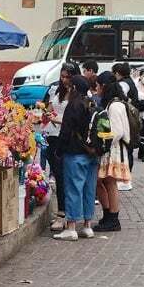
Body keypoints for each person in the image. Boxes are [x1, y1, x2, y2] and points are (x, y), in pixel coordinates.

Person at [53, 76, 99, 241]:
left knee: (73, 189)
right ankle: (87, 226)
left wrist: (59, 150)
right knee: (89, 189)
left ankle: (71, 227)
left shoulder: (73, 105)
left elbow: (65, 131)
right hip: (93, 153)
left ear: (73, 88)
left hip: (75, 152)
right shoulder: (93, 104)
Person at [42, 63, 77, 231]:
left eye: (67, 77)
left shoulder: (79, 94)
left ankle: (64, 214)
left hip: (68, 138)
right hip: (53, 137)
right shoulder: (56, 91)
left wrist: (57, 120)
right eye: (62, 76)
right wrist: (45, 114)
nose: (64, 80)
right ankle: (62, 212)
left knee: (65, 178)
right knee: (57, 175)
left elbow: (76, 120)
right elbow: (49, 109)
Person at [93, 74, 130, 232]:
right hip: (111, 149)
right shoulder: (115, 104)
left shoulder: (114, 106)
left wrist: (103, 142)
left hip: (113, 149)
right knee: (103, 182)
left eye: (98, 85)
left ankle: (113, 217)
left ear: (104, 86)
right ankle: (108, 215)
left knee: (109, 182)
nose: (96, 89)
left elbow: (118, 131)